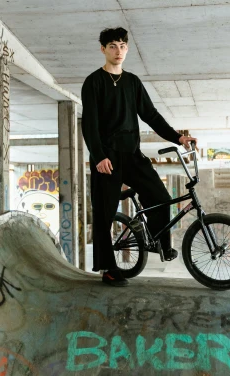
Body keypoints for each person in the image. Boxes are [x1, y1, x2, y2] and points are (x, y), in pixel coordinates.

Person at [81, 27, 197, 287]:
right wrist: (98, 156)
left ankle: (160, 243)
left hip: (132, 155)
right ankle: (109, 269)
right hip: (106, 159)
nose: (118, 51)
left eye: (122, 45)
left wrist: (177, 137)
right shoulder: (93, 82)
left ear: (127, 49)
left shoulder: (133, 82)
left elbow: (151, 115)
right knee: (104, 213)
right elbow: (89, 123)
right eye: (112, 46)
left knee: (161, 197)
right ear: (103, 49)